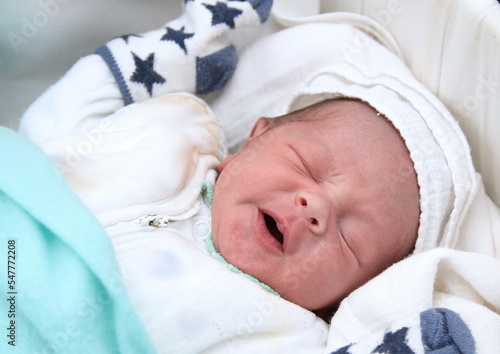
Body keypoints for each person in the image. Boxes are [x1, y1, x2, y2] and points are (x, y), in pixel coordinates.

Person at [17, 0, 500, 352]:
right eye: (305, 165)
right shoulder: (169, 133)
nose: (316, 208)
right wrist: (189, 42)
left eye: (350, 238)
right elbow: (54, 127)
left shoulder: (284, 333)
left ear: (344, 296)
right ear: (253, 139)